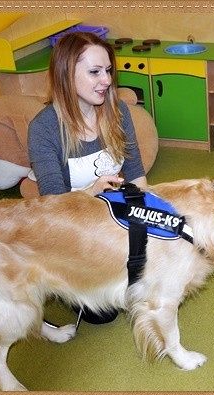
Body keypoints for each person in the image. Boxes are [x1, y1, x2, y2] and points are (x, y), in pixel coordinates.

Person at [28, 31, 147, 324]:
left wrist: (146, 220)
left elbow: (135, 173)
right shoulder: (43, 128)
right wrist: (90, 192)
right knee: (103, 313)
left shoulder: (117, 110)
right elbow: (53, 206)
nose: (106, 80)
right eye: (94, 72)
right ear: (66, 75)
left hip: (115, 216)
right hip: (73, 226)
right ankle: (58, 278)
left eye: (108, 70)